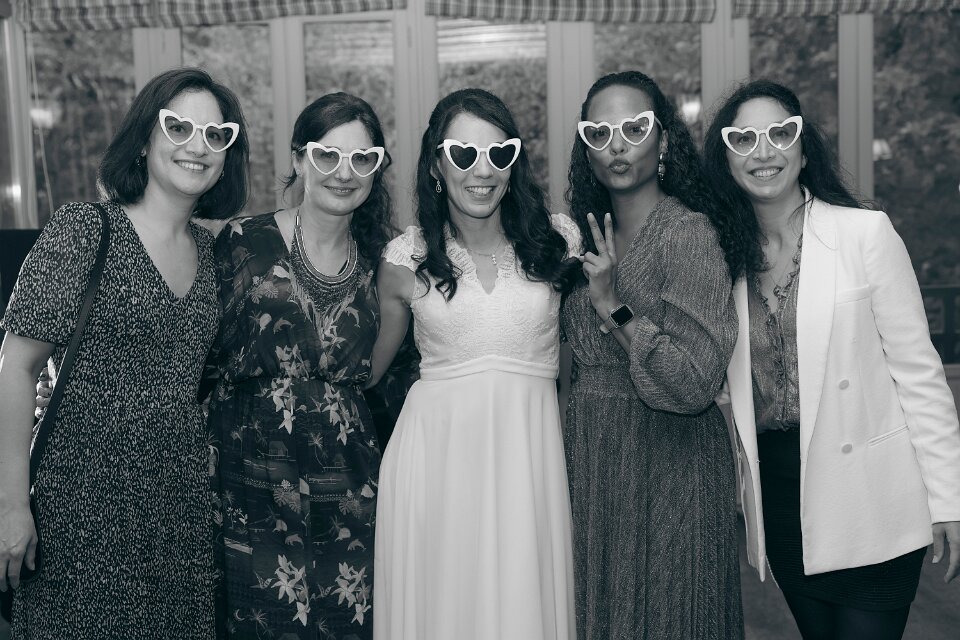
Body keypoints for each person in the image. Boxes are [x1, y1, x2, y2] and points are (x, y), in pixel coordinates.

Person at [703, 79, 960, 640]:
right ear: (726, 159)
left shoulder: (864, 233)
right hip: (783, 500)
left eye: (780, 133)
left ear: (803, 148)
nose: (763, 151)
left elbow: (919, 375)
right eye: (743, 139)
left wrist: (950, 499)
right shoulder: (722, 259)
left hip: (870, 495)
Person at [0, 67, 249, 637]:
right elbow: (15, 366)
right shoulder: (84, 230)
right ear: (143, 138)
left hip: (178, 515)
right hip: (78, 510)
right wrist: (10, 504)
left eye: (215, 134)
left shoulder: (212, 252)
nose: (197, 146)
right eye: (179, 127)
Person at [370, 88, 580, 640]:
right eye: (463, 154)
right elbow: (365, 372)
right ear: (436, 165)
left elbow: (578, 359)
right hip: (435, 467)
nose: (482, 170)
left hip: (529, 460)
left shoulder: (559, 242)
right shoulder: (404, 259)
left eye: (498, 153)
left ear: (514, 163)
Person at [561, 70, 745, 639]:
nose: (617, 145)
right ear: (587, 149)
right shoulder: (580, 239)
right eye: (600, 133)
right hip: (594, 463)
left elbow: (693, 384)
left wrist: (613, 306)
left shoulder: (688, 234)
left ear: (663, 140)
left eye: (635, 128)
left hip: (673, 466)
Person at [204, 92, 395, 639]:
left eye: (362, 159)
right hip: (249, 473)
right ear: (298, 159)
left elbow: (381, 375)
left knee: (346, 622)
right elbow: (203, 357)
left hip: (349, 482)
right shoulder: (245, 241)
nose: (344, 172)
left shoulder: (385, 259)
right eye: (327, 155)